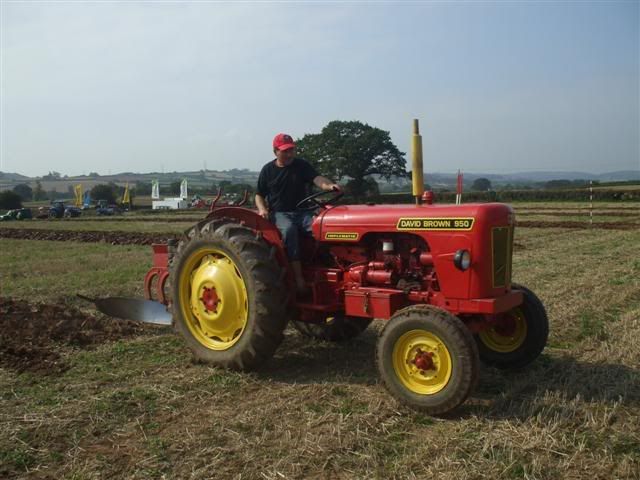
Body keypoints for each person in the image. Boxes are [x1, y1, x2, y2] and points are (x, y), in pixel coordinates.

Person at [255, 133, 340, 294]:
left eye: (291, 150)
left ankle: (329, 266)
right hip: (281, 213)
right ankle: (298, 277)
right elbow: (259, 195)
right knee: (289, 230)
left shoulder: (301, 165)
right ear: (275, 152)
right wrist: (262, 209)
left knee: (323, 229)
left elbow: (317, 179)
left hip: (303, 212)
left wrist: (329, 186)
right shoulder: (268, 170)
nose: (289, 154)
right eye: (285, 151)